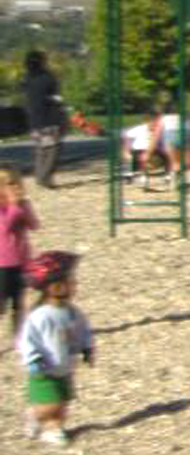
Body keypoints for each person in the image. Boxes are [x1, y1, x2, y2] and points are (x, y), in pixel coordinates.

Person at [15, 251, 90, 447]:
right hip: (44, 369)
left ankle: (54, 426)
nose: (75, 285)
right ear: (55, 287)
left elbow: (82, 329)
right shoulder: (40, 316)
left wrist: (86, 347)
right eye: (71, 281)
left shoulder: (72, 312)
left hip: (64, 367)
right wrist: (32, 359)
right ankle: (43, 423)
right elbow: (27, 339)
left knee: (63, 404)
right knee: (50, 405)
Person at [0, 167, 39, 335]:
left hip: (21, 261)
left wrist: (25, 208)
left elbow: (34, 225)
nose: (15, 188)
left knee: (19, 301)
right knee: (1, 303)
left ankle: (19, 336)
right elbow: (5, 227)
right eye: (10, 184)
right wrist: (14, 207)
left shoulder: (23, 204)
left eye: (17, 183)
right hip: (3, 263)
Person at [21, 52, 63, 190]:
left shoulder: (27, 78)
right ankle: (45, 177)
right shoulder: (48, 77)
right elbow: (55, 97)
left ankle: (39, 176)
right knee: (52, 150)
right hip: (49, 118)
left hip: (33, 120)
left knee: (40, 149)